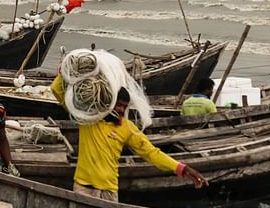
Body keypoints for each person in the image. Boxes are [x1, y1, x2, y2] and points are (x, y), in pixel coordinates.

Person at [51, 75, 208, 201]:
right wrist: (65, 69)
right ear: (108, 102)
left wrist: (182, 168)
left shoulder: (126, 127)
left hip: (110, 191)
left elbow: (151, 153)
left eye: (124, 107)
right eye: (118, 105)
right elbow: (57, 90)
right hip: (84, 189)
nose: (121, 110)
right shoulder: (88, 119)